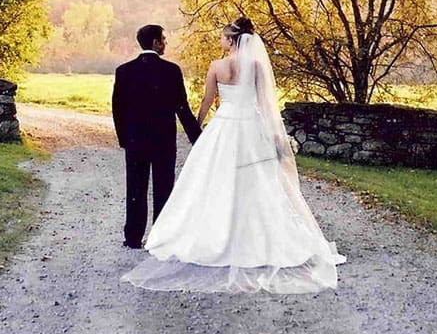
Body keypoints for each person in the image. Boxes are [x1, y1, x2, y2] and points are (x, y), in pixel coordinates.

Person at [121, 16, 346, 293]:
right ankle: (258, 238)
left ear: (231, 41)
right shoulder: (255, 66)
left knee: (211, 181)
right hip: (250, 126)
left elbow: (206, 100)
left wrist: (200, 127)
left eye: (223, 37)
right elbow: (265, 103)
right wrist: (273, 132)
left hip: (223, 127)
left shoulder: (217, 66)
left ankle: (195, 236)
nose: (221, 41)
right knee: (259, 183)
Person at [112, 24, 201, 249]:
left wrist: (124, 138)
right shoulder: (172, 70)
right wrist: (197, 138)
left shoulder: (124, 71)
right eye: (163, 39)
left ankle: (133, 237)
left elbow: (117, 108)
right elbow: (182, 108)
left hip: (135, 140)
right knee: (164, 187)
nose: (165, 43)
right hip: (163, 139)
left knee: (135, 188)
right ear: (155, 43)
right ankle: (160, 238)